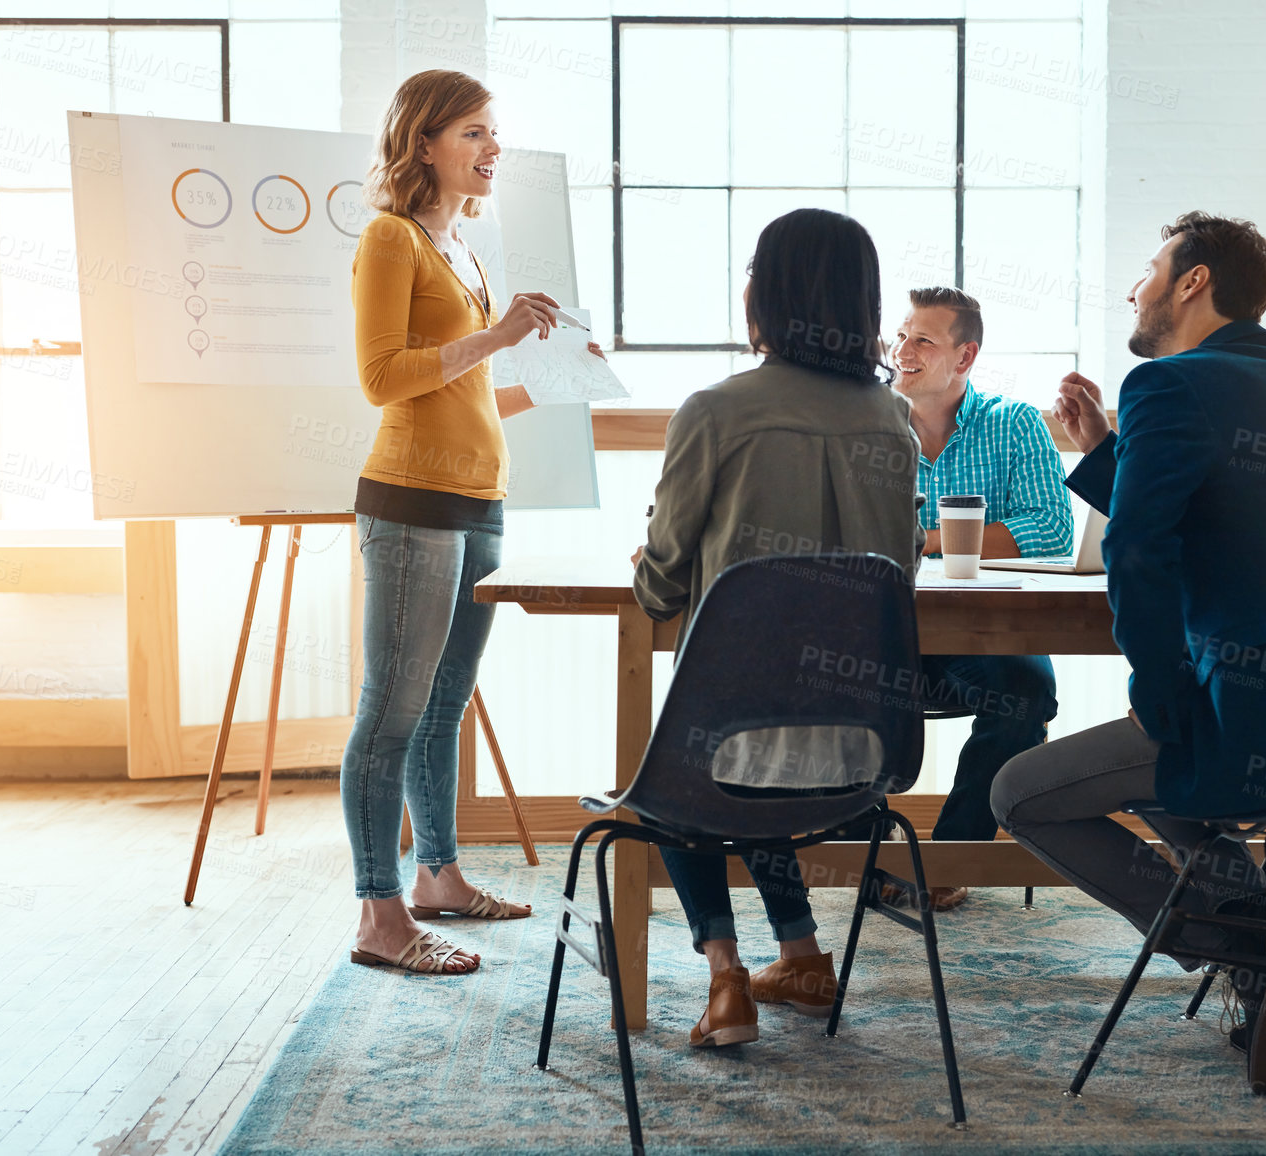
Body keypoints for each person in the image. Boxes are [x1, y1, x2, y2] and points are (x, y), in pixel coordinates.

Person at [991, 211, 1266, 1094]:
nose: (1135, 287)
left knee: (1021, 794)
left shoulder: (1168, 386)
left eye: (1150, 269)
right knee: (1171, 766)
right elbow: (1229, 519)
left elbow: (1141, 552)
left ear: (1192, 282)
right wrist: (1107, 453)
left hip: (1259, 722)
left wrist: (1162, 691)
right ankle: (1259, 931)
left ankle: (1253, 946)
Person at [632, 208, 927, 1047]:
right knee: (763, 756)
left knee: (688, 771)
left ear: (767, 294)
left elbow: (661, 582)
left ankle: (727, 979)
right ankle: (801, 955)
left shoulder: (714, 412)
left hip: (734, 746)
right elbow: (895, 568)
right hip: (862, 749)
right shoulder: (893, 422)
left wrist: (654, 570)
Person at [342, 70, 603, 975]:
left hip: (480, 502)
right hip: (411, 502)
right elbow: (384, 379)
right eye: (473, 134)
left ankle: (439, 879)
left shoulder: (466, 252)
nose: (493, 150)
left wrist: (565, 377)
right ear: (423, 143)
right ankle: (381, 915)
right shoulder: (391, 239)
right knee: (393, 711)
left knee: (446, 703)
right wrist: (497, 337)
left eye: (495, 134)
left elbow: (473, 390)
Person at [890, 287, 1070, 912]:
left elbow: (1050, 531)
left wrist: (922, 538)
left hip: (987, 638)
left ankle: (951, 855)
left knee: (1026, 695)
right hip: (887, 638)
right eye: (902, 335)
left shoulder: (1013, 422)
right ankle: (875, 853)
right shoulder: (868, 424)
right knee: (833, 687)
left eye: (922, 340)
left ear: (964, 357)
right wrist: (981, 536)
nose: (901, 351)